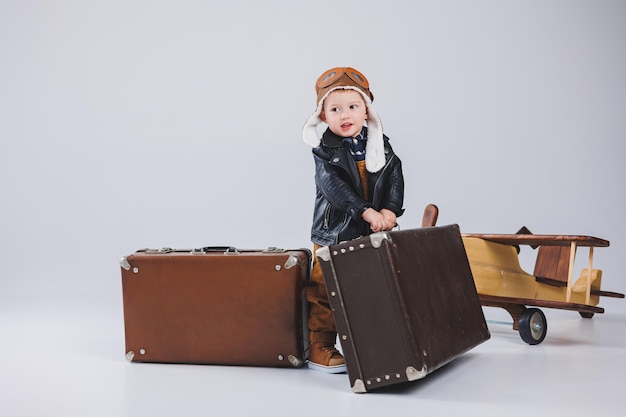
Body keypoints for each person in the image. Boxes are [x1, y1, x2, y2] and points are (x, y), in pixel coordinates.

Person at [301, 67, 405, 373]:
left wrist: (389, 210)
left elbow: (395, 179)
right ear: (322, 116)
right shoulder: (325, 151)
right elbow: (336, 189)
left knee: (371, 286)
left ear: (366, 111)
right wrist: (366, 211)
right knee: (324, 289)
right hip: (335, 232)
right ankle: (319, 346)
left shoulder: (382, 146)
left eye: (352, 107)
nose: (344, 115)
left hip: (370, 230)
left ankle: (369, 344)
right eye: (335, 109)